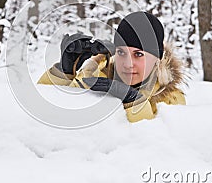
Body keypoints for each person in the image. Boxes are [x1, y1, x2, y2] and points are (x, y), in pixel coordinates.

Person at [37, 11, 186, 123]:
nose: (128, 64)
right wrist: (62, 73)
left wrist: (134, 101)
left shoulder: (170, 99)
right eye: (122, 52)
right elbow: (43, 116)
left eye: (138, 55)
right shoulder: (92, 79)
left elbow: (156, 145)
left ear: (157, 59)